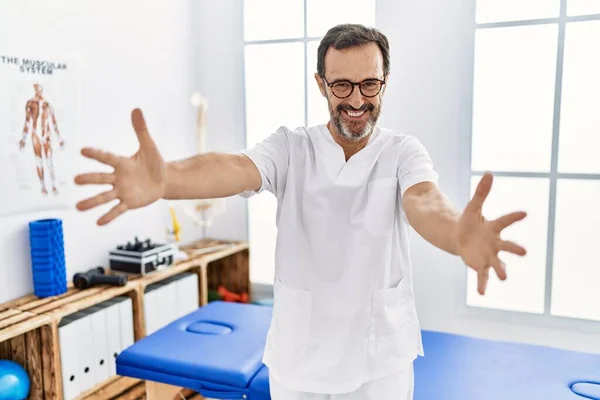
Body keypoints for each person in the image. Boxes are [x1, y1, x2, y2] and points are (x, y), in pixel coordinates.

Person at [74, 24, 527, 400]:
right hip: (300, 364)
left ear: (385, 80)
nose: (356, 99)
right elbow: (235, 168)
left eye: (370, 83)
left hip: (380, 365)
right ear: (320, 84)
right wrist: (168, 180)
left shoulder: (403, 152)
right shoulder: (291, 147)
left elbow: (425, 201)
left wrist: (457, 236)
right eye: (341, 84)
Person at [20, 82, 65, 195]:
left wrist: (59, 139)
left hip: (46, 135)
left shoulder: (47, 104)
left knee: (49, 161)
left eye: (39, 88)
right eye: (36, 88)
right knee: (39, 162)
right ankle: (43, 186)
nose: (38, 90)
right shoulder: (30, 103)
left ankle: (54, 185)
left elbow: (54, 122)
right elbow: (27, 121)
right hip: (36, 134)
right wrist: (23, 139)